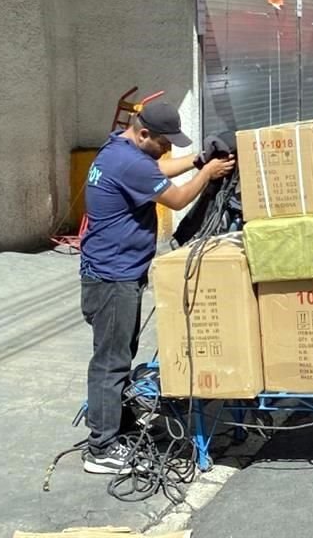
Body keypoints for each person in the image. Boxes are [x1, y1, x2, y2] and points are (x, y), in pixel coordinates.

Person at [79, 100, 235, 474]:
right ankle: (101, 447)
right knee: (111, 362)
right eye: (165, 141)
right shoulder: (129, 162)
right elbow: (178, 197)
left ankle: (115, 425)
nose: (169, 149)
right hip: (113, 277)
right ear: (144, 132)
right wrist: (208, 173)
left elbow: (159, 170)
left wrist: (198, 162)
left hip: (112, 273)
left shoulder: (120, 146)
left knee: (119, 354)